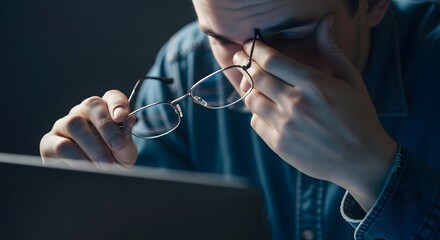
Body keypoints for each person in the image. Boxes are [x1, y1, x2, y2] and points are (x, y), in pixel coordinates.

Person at [40, 0, 440, 239]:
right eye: (221, 40)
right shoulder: (187, 68)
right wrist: (87, 197)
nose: (251, 72)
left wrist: (375, 172)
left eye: (288, 37)